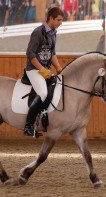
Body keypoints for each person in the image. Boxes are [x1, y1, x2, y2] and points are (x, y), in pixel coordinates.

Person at [23, 7, 64, 137]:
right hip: (34, 69)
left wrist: (58, 68)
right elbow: (30, 54)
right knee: (43, 92)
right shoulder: (38, 32)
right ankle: (28, 126)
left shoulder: (53, 32)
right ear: (51, 18)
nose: (60, 23)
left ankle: (44, 116)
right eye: (58, 20)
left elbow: (52, 53)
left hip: (45, 70)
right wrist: (41, 69)